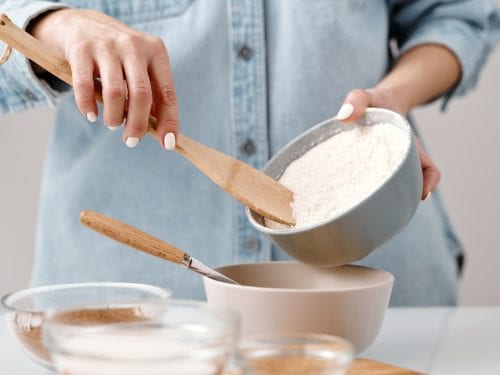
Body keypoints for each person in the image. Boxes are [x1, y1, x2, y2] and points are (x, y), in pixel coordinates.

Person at [0, 0, 498, 305]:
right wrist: (52, 24)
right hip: (136, 310)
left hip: (374, 305)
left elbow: (456, 17)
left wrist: (394, 97)